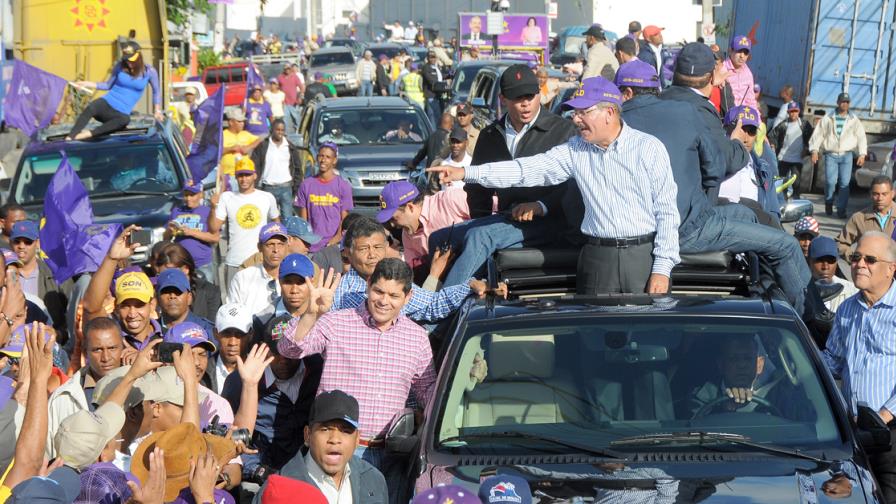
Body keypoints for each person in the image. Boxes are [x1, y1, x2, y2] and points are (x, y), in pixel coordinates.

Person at [430, 77, 680, 294]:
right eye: (575, 113)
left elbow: (667, 212)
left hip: (641, 257)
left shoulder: (648, 148)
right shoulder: (575, 150)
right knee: (594, 342)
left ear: (610, 113)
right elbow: (524, 170)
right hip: (596, 258)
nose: (577, 119)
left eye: (584, 112)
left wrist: (662, 268)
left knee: (646, 340)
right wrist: (465, 172)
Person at [279, 259, 437, 500]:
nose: (384, 301)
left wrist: (466, 387)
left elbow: (429, 392)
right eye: (379, 291)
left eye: (394, 295)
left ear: (408, 297)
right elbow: (289, 349)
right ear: (368, 286)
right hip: (339, 452)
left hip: (393, 455)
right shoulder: (336, 323)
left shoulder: (417, 338)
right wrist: (311, 312)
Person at [431, 64, 580, 288]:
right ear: (503, 98)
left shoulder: (563, 131)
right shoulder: (490, 135)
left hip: (552, 221)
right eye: (517, 97)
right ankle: (431, 294)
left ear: (540, 92)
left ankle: (440, 312)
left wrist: (541, 205)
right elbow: (477, 190)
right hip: (507, 219)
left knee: (481, 237)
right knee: (439, 239)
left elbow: (574, 186)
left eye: (530, 96)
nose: (525, 103)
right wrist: (479, 220)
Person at [616, 59, 724, 266]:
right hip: (686, 229)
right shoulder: (686, 111)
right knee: (783, 244)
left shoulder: (611, 123)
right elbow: (715, 169)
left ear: (627, 93)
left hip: (632, 236)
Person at [823, 232, 896, 501]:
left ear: (891, 269)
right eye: (855, 257)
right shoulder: (847, 309)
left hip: (890, 436)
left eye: (870, 259)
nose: (859, 264)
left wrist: (884, 416)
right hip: (852, 435)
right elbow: (833, 361)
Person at [222, 313, 319, 491]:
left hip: (306, 473)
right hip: (257, 476)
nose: (284, 360)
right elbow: (228, 434)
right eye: (277, 352)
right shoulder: (239, 381)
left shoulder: (318, 372)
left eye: (290, 351)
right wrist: (256, 470)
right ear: (264, 349)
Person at [333, 217, 482, 321]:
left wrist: (469, 286)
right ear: (347, 252)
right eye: (364, 248)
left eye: (377, 247)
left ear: (386, 248)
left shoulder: (393, 278)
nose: (372, 255)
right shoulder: (341, 293)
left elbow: (432, 304)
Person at [256, 390, 388, 504]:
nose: (335, 439)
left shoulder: (373, 479)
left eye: (345, 431)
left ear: (357, 439)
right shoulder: (278, 489)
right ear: (308, 435)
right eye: (325, 429)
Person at [661, 42, 751, 177]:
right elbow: (728, 160)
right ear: (712, 76)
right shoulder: (703, 111)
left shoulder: (660, 98)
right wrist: (737, 142)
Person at [687, 335, 815, 422]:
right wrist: (724, 409)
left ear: (759, 365)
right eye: (734, 359)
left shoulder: (777, 394)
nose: (741, 365)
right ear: (721, 365)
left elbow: (804, 425)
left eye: (748, 359)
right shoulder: (703, 394)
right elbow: (691, 432)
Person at [45, 317, 124, 458]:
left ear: (123, 347)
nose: (106, 357)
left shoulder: (142, 388)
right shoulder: (64, 397)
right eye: (97, 350)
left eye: (112, 348)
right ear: (85, 351)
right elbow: (51, 453)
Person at [82, 229, 164, 357]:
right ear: (116, 307)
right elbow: (90, 308)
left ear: (152, 304)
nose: (132, 314)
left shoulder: (169, 336)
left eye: (139, 305)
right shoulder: (108, 337)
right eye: (125, 305)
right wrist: (111, 258)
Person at [67, 41, 162, 140]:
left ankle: (88, 134)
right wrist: (87, 84)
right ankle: (70, 137)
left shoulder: (149, 71)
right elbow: (108, 85)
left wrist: (157, 111)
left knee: (125, 120)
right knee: (92, 107)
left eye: (131, 60)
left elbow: (156, 91)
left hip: (120, 114)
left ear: (139, 56)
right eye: (126, 60)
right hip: (107, 104)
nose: (128, 62)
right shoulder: (120, 66)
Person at [210, 157, 281, 288]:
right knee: (233, 304)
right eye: (240, 175)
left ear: (255, 175)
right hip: (234, 262)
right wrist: (213, 207)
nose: (244, 179)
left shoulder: (267, 198)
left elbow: (278, 228)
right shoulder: (227, 197)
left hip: (259, 261)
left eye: (247, 175)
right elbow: (214, 228)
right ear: (236, 177)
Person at [377, 180, 469, 278]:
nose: (392, 224)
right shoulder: (407, 236)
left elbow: (483, 221)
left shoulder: (449, 200)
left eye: (394, 218)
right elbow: (415, 273)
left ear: (410, 207)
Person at [809, 92, 868, 217]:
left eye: (847, 102)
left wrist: (862, 154)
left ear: (849, 104)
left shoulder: (853, 119)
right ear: (837, 102)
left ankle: (841, 210)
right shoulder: (828, 118)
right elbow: (819, 134)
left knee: (845, 183)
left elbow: (861, 136)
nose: (845, 104)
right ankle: (829, 202)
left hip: (847, 155)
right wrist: (814, 150)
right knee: (830, 182)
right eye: (842, 102)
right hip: (831, 154)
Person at [720, 105, 781, 224]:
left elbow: (773, 216)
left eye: (751, 131)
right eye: (741, 130)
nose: (746, 138)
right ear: (726, 129)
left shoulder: (764, 171)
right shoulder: (711, 163)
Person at [9, 220, 68, 337]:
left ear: (37, 243)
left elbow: (71, 314)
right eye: (17, 242)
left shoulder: (56, 275)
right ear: (11, 243)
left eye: (28, 242)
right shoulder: (4, 276)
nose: (21, 246)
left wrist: (59, 334)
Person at [295, 142, 353, 253]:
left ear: (334, 160)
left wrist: (335, 240)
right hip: (312, 245)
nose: (323, 160)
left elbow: (344, 220)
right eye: (321, 156)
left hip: (334, 245)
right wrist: (305, 242)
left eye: (328, 157)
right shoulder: (306, 184)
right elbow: (303, 221)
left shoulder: (343, 186)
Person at [227, 222, 288, 317]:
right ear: (259, 247)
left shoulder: (295, 278)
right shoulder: (243, 277)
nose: (276, 249)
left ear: (287, 247)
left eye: (280, 244)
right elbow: (232, 314)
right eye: (270, 245)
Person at [164, 179, 219, 284]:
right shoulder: (176, 211)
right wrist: (169, 231)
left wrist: (191, 232)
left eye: (192, 195)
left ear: (201, 195)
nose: (188, 198)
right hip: (180, 264)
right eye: (186, 195)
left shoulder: (207, 211)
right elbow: (165, 238)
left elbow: (215, 238)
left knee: (204, 296)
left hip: (202, 264)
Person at [154, 241, 221, 322]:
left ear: (186, 269)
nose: (166, 279)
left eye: (170, 273)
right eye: (162, 275)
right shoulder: (156, 293)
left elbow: (213, 327)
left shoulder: (211, 292)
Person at [251, 119, 304, 221]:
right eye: (277, 129)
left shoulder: (290, 147)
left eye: (282, 130)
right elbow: (254, 165)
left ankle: (286, 237)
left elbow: (297, 168)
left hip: (286, 188)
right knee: (268, 219)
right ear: (272, 130)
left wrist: (296, 186)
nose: (280, 132)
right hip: (268, 188)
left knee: (287, 219)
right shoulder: (263, 146)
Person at [836, 175, 896, 257]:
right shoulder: (859, 218)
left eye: (884, 194)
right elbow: (840, 243)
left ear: (893, 194)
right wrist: (855, 259)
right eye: (876, 194)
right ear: (870, 194)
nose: (880, 198)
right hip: (868, 269)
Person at [208, 302, 254, 395]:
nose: (232, 343)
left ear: (250, 335)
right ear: (215, 333)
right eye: (226, 334)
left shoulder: (262, 373)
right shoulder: (202, 371)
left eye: (240, 334)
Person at [770, 101, 813, 199]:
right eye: (791, 112)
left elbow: (812, 137)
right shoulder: (783, 125)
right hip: (783, 157)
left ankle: (797, 201)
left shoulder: (804, 124)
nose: (793, 114)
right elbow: (773, 136)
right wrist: (773, 145)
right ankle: (782, 202)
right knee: (782, 183)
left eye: (795, 111)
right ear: (788, 113)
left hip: (797, 159)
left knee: (796, 183)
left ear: (799, 112)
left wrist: (806, 149)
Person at [156, 268, 215, 338]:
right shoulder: (150, 331)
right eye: (166, 291)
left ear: (189, 298)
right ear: (157, 299)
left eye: (178, 291)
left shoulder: (208, 331)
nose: (172, 296)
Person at [809, 236, 858, 312]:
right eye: (819, 260)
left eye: (830, 260)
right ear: (810, 262)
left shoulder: (852, 292)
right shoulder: (799, 291)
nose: (825, 267)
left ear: (836, 262)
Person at [220, 108, 263, 178]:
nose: (242, 124)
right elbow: (215, 151)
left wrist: (248, 147)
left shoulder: (245, 134)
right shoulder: (222, 135)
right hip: (227, 176)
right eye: (239, 121)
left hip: (244, 175)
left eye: (243, 121)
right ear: (231, 122)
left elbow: (260, 139)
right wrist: (230, 149)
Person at [723, 35, 759, 110]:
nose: (742, 56)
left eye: (745, 53)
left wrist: (757, 119)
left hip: (743, 115)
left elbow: (751, 100)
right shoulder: (722, 69)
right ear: (731, 50)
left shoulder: (748, 73)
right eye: (739, 51)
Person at [421, 51, 447, 125]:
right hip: (430, 96)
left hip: (439, 96)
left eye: (434, 57)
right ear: (428, 58)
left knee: (438, 116)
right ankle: (432, 134)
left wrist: (450, 74)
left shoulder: (437, 67)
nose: (433, 59)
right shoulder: (426, 68)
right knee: (432, 117)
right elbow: (431, 80)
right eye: (431, 57)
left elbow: (441, 76)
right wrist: (442, 85)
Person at [277, 65, 304, 133]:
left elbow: (302, 87)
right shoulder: (280, 77)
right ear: (284, 69)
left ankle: (299, 132)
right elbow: (277, 87)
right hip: (284, 102)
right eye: (286, 69)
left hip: (294, 102)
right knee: (285, 119)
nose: (287, 70)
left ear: (291, 69)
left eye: (288, 69)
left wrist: (300, 97)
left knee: (296, 118)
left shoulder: (294, 77)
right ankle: (286, 135)